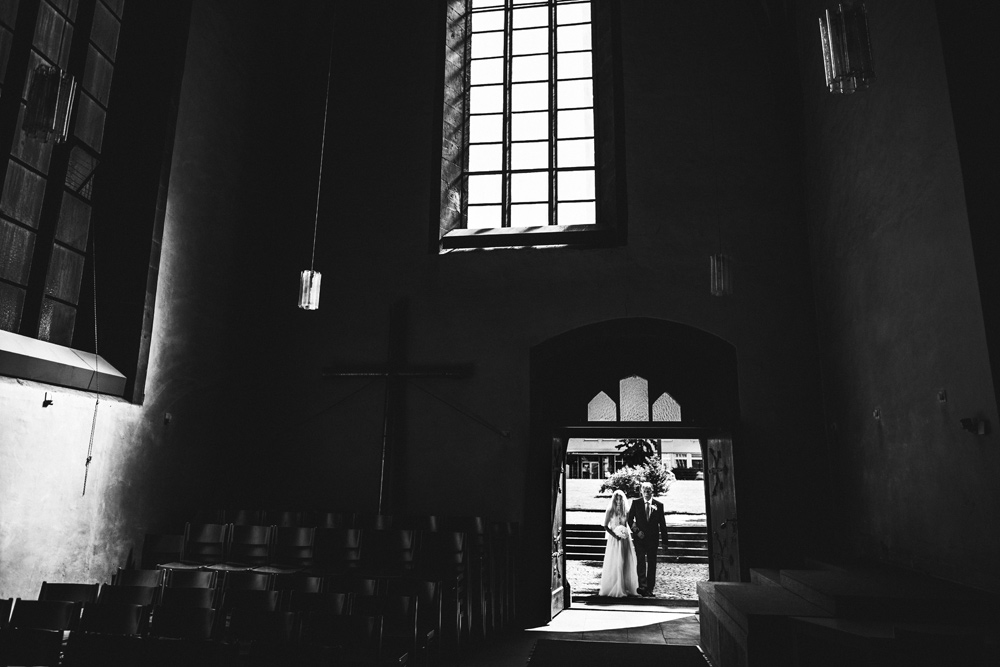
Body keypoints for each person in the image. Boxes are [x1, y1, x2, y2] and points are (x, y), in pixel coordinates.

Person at [627, 481, 669, 597]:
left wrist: (665, 541)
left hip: (652, 540)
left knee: (652, 563)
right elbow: (630, 520)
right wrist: (636, 531)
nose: (646, 493)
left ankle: (650, 588)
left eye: (649, 491)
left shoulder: (658, 505)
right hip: (639, 539)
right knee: (640, 561)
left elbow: (663, 524)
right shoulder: (636, 503)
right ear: (641, 492)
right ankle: (642, 586)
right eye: (644, 491)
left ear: (652, 492)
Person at [598, 490, 639, 597]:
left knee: (626, 561)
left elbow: (630, 523)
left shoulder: (626, 511)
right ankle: (615, 586)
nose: (619, 500)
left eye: (620, 498)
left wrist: (637, 531)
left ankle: (627, 585)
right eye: (617, 498)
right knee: (616, 562)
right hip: (614, 540)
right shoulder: (610, 511)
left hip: (625, 539)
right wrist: (615, 535)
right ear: (614, 499)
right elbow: (605, 526)